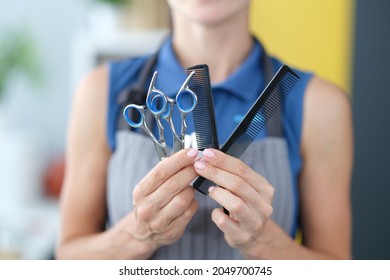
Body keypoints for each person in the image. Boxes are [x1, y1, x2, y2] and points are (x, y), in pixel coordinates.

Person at [56, 0, 353, 259]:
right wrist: (137, 234)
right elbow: (68, 259)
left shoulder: (319, 105)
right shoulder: (101, 91)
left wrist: (265, 243)